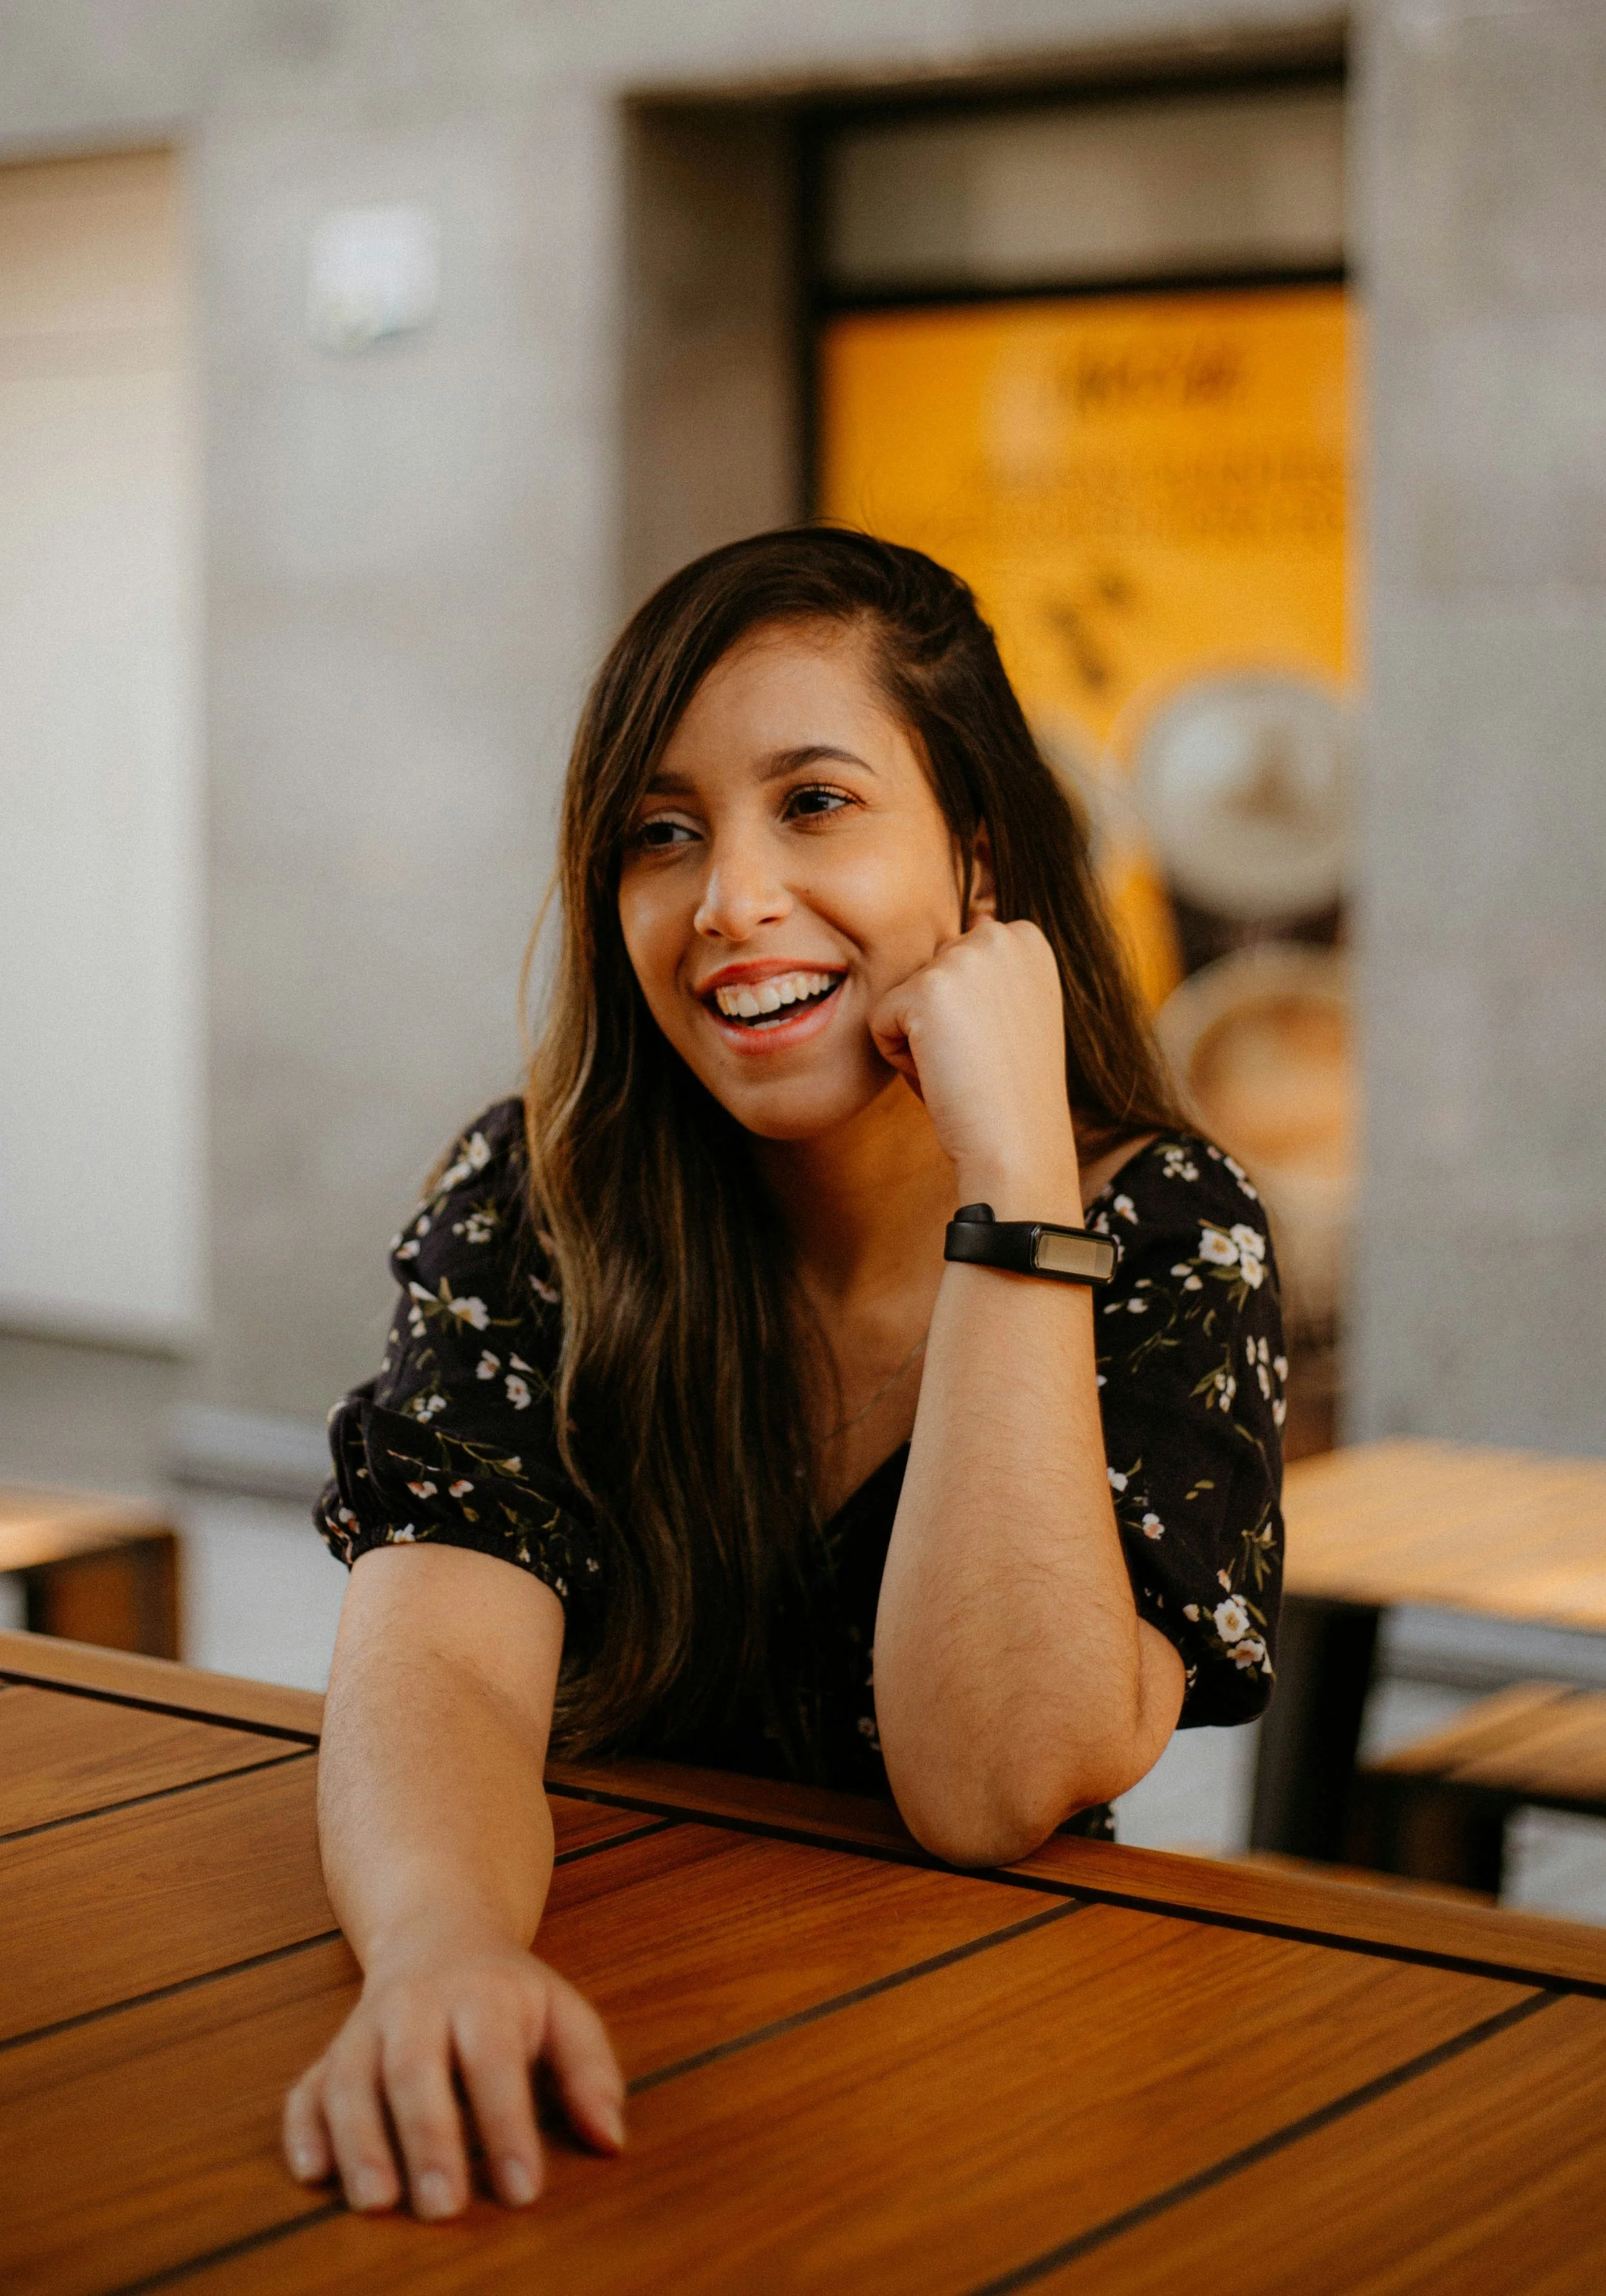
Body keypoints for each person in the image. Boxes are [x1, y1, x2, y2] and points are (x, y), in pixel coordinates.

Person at [284, 526, 1285, 2222]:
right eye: (661, 832)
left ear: (977, 865)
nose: (730, 897)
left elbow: (983, 1785)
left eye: (812, 802)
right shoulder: (542, 1196)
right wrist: (442, 1952)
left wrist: (1017, 1187)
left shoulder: (1170, 1227)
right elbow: (437, 1656)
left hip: (982, 2068)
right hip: (587, 2018)